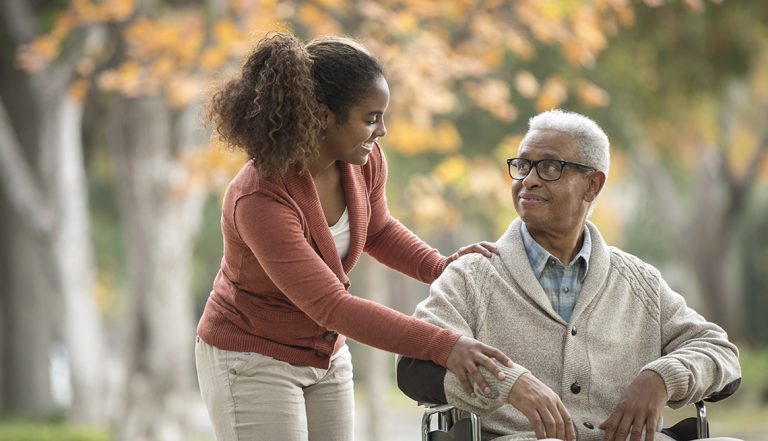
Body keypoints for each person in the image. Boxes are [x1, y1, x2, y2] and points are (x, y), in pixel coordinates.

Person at [194, 31, 515, 441]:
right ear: (324, 116)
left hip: (325, 354)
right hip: (251, 357)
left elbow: (378, 229)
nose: (382, 130)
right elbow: (331, 305)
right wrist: (444, 346)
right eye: (370, 118)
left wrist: (440, 268)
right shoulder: (260, 197)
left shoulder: (363, 160)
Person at [397, 109, 742, 441]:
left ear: (592, 185)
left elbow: (720, 353)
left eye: (549, 167)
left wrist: (662, 378)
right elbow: (414, 365)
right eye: (522, 166)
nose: (528, 180)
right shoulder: (472, 276)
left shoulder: (640, 283)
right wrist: (509, 383)